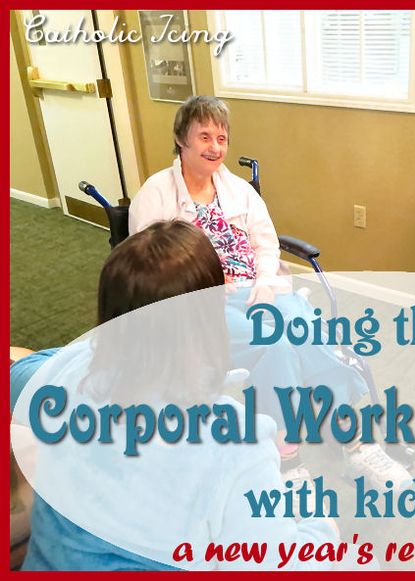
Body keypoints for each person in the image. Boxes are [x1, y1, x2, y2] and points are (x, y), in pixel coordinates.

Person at [10, 221, 339, 570]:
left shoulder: (67, 375)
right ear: (211, 316)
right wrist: (321, 526)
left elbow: (17, 374)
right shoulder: (237, 443)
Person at [128, 96, 412, 492]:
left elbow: (265, 243)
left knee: (309, 332)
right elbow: (149, 263)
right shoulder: (155, 194)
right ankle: (287, 456)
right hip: (201, 303)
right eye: (204, 136)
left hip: (259, 290)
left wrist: (264, 282)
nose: (215, 147)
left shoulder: (238, 190)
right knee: (277, 344)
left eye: (222, 138)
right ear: (181, 139)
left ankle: (356, 443)